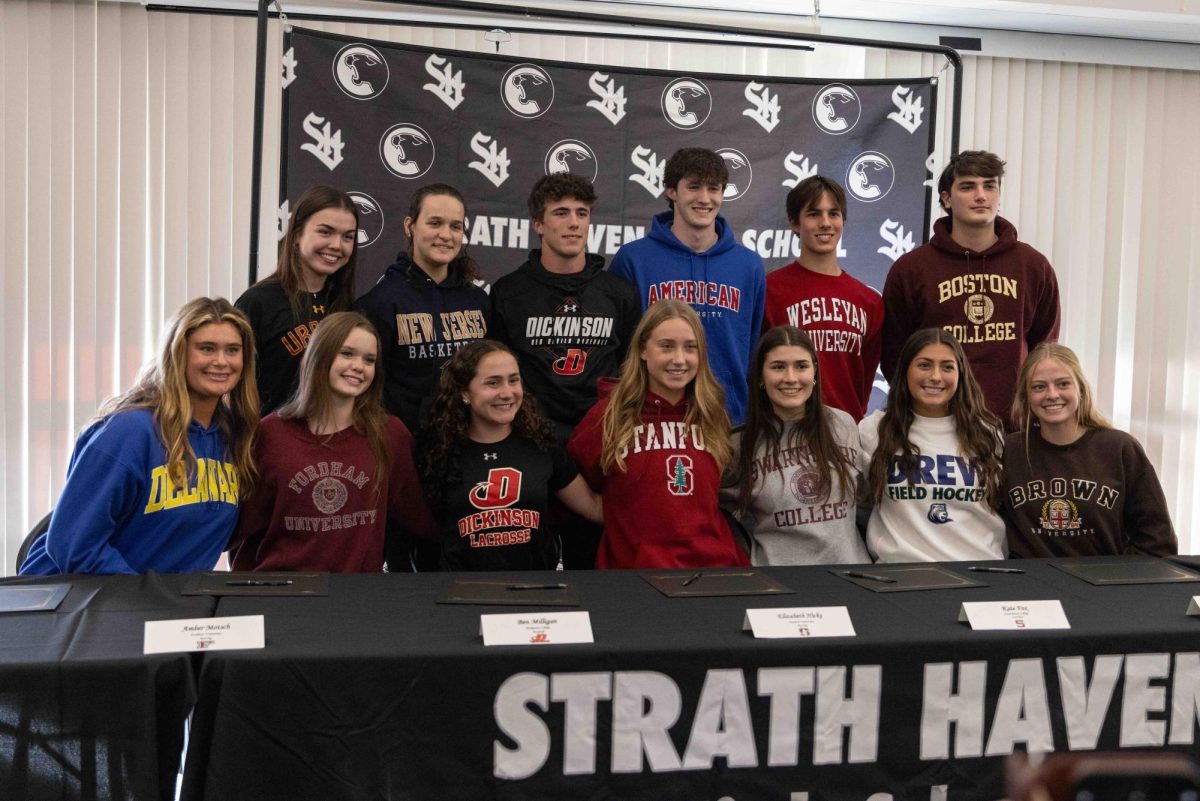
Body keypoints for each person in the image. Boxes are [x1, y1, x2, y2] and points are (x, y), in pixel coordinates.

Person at [20, 298, 259, 575]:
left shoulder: (234, 437)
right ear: (177, 353)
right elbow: (72, 544)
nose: (221, 361)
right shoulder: (129, 432)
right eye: (206, 349)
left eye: (232, 350)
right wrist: (146, 602)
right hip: (76, 601)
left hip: (160, 605)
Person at [229, 312, 435, 573]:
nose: (359, 366)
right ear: (317, 358)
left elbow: (420, 519)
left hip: (355, 597)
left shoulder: (389, 434)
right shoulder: (269, 435)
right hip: (280, 593)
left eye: (369, 360)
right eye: (346, 354)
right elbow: (243, 530)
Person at [880, 151, 1060, 429]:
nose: (981, 195)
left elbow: (1044, 351)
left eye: (990, 185)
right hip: (936, 428)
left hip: (1013, 429)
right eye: (967, 186)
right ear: (946, 198)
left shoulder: (1033, 266)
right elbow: (895, 355)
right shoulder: (912, 269)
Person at [569, 299, 748, 569]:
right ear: (643, 349)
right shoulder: (610, 415)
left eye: (690, 348)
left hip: (716, 568)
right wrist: (601, 510)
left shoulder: (712, 414)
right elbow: (566, 473)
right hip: (635, 576)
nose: (679, 359)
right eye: (666, 346)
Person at [609, 147, 766, 426]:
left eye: (713, 188)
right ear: (672, 192)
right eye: (693, 187)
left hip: (729, 417)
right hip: (652, 418)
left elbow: (753, 346)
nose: (704, 198)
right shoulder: (633, 259)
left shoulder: (749, 265)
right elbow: (621, 350)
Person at [416, 340, 602, 571]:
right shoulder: (437, 451)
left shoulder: (542, 444)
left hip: (536, 589)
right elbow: (420, 526)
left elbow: (593, 507)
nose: (507, 393)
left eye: (513, 380)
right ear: (464, 392)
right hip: (460, 593)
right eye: (492, 383)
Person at [491, 174, 641, 442]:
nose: (574, 223)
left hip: (602, 434)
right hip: (530, 437)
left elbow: (632, 371)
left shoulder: (620, 294)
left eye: (581, 213)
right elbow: (497, 375)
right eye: (561, 212)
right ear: (538, 223)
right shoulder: (508, 293)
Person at [1002, 343, 1176, 557]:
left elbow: (1157, 539)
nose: (1052, 394)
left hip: (1102, 585)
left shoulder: (1120, 449)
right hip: (1029, 587)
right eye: (1039, 387)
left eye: (1063, 384)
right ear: (1026, 396)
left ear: (1081, 389)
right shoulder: (1010, 450)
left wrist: (1119, 580)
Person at [724, 326, 869, 565]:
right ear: (760, 376)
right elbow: (719, 515)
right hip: (780, 582)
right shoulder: (739, 443)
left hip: (850, 577)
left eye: (801, 366)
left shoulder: (843, 425)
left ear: (814, 372)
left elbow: (867, 499)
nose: (791, 378)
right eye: (778, 367)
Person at [860, 328, 1006, 563]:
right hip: (901, 574)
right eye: (924, 365)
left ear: (961, 374)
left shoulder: (987, 432)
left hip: (980, 569)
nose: (936, 376)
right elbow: (861, 503)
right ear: (906, 370)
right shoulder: (873, 430)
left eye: (947, 367)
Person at [355, 184, 491, 433]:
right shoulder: (381, 302)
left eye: (455, 226)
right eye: (435, 223)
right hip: (403, 446)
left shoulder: (478, 300)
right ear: (410, 226)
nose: (446, 235)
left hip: (468, 443)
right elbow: (364, 389)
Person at [763, 176, 883, 421]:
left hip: (844, 435)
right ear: (795, 223)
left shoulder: (869, 301)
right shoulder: (769, 290)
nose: (826, 223)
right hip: (783, 431)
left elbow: (864, 381)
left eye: (834, 214)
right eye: (814, 214)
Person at [237, 185, 359, 416]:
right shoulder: (258, 303)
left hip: (328, 439)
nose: (336, 245)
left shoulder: (347, 307)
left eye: (348, 237)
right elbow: (233, 388)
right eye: (325, 232)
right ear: (296, 236)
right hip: (269, 440)